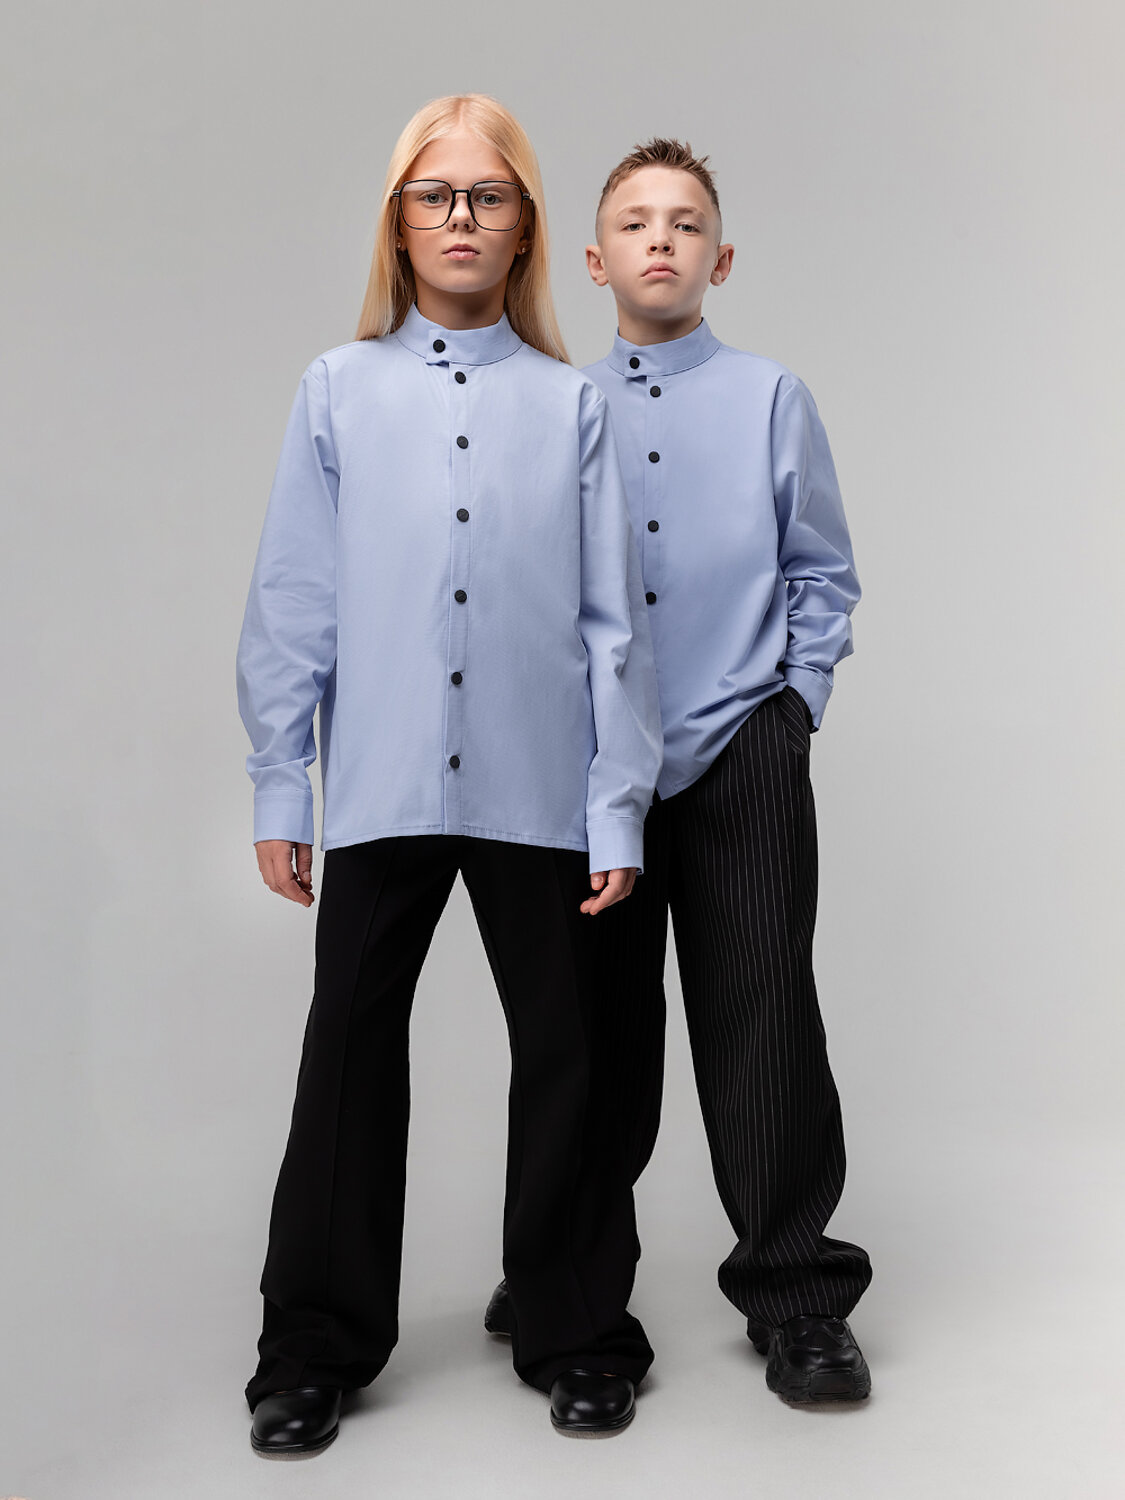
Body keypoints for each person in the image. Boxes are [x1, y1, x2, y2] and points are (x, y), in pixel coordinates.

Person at [235, 94, 662, 1455]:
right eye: (435, 195)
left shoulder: (573, 405)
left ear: (526, 223)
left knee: (568, 1059)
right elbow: (295, 597)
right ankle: (312, 1348)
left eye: (487, 195)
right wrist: (280, 783)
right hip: (380, 783)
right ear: (400, 221)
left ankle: (576, 1331)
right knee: (348, 1059)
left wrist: (616, 807)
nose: (460, 218)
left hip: (541, 787)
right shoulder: (337, 389)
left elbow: (613, 624)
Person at [483, 138, 873, 1404]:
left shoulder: (772, 397)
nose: (662, 238)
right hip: (593, 765)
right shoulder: (555, 406)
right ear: (594, 261)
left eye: (687, 222)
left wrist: (792, 708)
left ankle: (798, 1296)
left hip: (742, 747)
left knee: (764, 1019)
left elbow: (821, 572)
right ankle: (564, 1271)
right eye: (636, 223)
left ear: (721, 257)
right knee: (589, 1033)